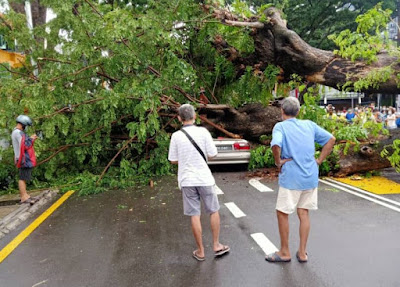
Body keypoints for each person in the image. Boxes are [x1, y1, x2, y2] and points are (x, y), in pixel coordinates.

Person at [266, 97, 335, 263]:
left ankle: (284, 252)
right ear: (298, 111)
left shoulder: (280, 126)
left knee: (282, 213)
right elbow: (331, 139)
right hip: (310, 176)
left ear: (282, 111)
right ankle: (302, 253)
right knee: (303, 213)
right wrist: (319, 160)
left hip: (291, 177)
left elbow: (276, 144)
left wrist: (278, 162)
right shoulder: (309, 125)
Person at [168, 104, 230, 261]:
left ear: (179, 118)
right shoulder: (203, 132)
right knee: (213, 210)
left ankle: (201, 251)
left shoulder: (176, 136)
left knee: (194, 214)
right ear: (194, 116)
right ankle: (216, 245)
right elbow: (213, 154)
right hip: (205, 178)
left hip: (187, 180)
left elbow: (173, 160)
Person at [11, 115, 39, 204]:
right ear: (23, 124)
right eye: (25, 126)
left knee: (24, 176)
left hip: (22, 158)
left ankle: (26, 195)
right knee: (22, 177)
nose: (25, 128)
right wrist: (32, 138)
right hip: (23, 158)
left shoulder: (17, 132)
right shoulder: (18, 133)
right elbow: (25, 145)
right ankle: (23, 197)